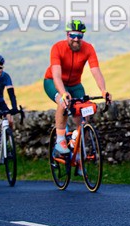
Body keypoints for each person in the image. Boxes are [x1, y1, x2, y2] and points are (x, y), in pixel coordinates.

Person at [44, 20, 110, 156]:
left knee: (84, 116)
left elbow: (96, 70)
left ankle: (78, 151)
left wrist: (103, 90)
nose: (76, 39)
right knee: (64, 103)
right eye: (72, 35)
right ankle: (60, 140)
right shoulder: (57, 48)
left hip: (75, 85)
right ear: (67, 35)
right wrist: (63, 93)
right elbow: (56, 75)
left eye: (79, 36)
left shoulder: (88, 48)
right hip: (52, 82)